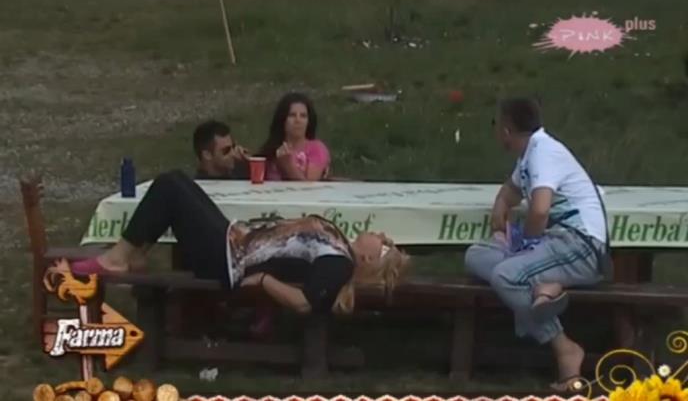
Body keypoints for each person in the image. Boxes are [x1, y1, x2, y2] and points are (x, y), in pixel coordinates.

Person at [68, 170, 410, 315]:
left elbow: (306, 302)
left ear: (368, 259)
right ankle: (134, 255)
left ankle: (117, 259)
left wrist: (264, 280)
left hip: (227, 260)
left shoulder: (339, 263)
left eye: (384, 243)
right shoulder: (339, 248)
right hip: (234, 240)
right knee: (178, 181)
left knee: (170, 186)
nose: (380, 235)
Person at [464, 97, 609, 392]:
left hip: (580, 246)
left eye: (497, 125)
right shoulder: (529, 155)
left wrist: (527, 245)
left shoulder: (544, 152)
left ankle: (565, 348)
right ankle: (543, 286)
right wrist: (500, 205)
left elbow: (540, 210)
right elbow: (511, 190)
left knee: (505, 276)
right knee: (475, 257)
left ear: (506, 130)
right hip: (556, 244)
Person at [258, 92, 332, 181]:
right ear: (282, 119)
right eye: (292, 115)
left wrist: (287, 165)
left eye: (303, 116)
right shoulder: (272, 149)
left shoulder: (317, 148)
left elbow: (309, 186)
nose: (298, 120)